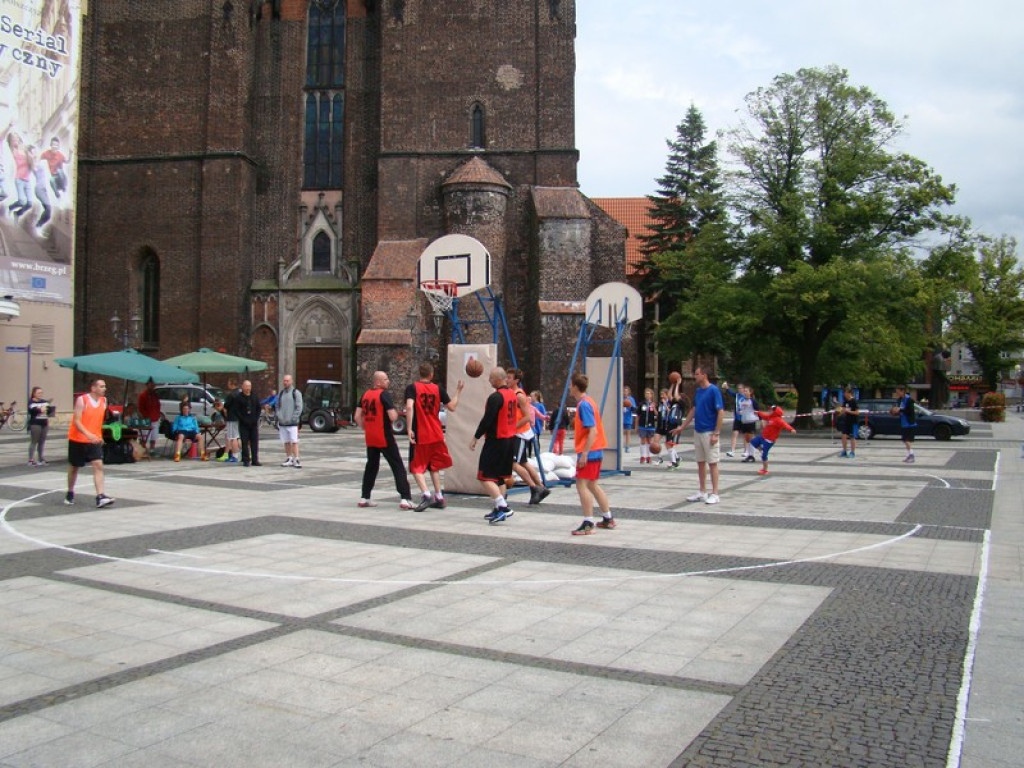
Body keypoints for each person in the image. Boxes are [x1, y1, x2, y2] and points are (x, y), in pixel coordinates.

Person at [406, 361, 464, 511]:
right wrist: (458, 391)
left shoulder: (412, 388)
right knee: (434, 466)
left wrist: (409, 428)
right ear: (431, 374)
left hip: (421, 433)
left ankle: (426, 495)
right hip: (436, 432)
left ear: (420, 373)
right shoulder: (438, 389)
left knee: (416, 467)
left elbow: (409, 406)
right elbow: (452, 407)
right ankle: (439, 496)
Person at [355, 370, 413, 508]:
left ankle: (364, 497)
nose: (388, 381)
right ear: (378, 382)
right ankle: (405, 498)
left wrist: (366, 427)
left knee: (371, 466)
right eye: (386, 379)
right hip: (384, 435)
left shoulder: (365, 395)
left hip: (371, 436)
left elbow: (357, 416)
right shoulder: (383, 395)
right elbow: (393, 416)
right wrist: (397, 413)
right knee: (397, 465)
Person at [471, 367, 519, 523]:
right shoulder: (512, 394)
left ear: (499, 379)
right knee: (499, 478)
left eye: (491, 378)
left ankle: (503, 506)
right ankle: (499, 509)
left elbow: (487, 420)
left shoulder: (496, 397)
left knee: (484, 477)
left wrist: (476, 437)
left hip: (497, 440)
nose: (489, 380)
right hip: (510, 439)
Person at [570, 373, 615, 535]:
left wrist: (584, 454)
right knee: (592, 484)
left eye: (570, 385)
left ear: (575, 387)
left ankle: (588, 522)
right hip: (597, 450)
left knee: (581, 485)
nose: (569, 388)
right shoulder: (589, 401)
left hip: (590, 451)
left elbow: (592, 431)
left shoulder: (583, 405)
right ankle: (607, 517)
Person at [673, 366, 724, 505]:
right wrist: (682, 427)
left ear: (704, 375)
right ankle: (702, 491)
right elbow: (693, 410)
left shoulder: (713, 391)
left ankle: (715, 493)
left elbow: (720, 412)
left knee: (712, 463)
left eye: (697, 374)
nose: (694, 376)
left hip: (709, 432)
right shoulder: (698, 391)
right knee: (700, 463)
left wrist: (716, 433)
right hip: (698, 431)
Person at [66, 378, 115, 508]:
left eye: (105, 386)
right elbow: (77, 421)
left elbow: (97, 421)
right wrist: (87, 434)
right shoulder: (82, 400)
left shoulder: (104, 401)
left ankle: (100, 496)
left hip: (94, 439)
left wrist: (99, 435)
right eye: (101, 386)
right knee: (74, 467)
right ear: (93, 388)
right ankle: (70, 492)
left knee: (98, 464)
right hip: (78, 439)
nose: (105, 388)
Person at [508, 368, 549, 505]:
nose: (507, 380)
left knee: (513, 463)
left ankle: (534, 487)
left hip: (520, 433)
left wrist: (512, 428)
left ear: (516, 380)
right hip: (520, 432)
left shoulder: (519, 395)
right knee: (524, 462)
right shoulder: (512, 393)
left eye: (509, 378)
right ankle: (541, 487)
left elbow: (527, 417)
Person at [750, 405, 797, 474]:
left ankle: (765, 470)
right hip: (763, 436)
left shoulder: (778, 420)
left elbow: (785, 425)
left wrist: (791, 429)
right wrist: (758, 413)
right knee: (753, 441)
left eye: (771, 410)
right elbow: (764, 415)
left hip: (769, 440)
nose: (769, 411)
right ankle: (761, 449)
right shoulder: (770, 417)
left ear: (775, 412)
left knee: (764, 455)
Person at [276, 374, 303, 468]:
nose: (285, 382)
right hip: (283, 423)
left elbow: (299, 407)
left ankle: (297, 458)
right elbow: (277, 406)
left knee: (294, 441)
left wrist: (293, 418)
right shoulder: (281, 393)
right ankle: (289, 458)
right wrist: (279, 417)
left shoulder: (296, 393)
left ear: (291, 381)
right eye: (284, 380)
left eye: (287, 381)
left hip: (292, 423)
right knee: (286, 441)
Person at [728, 384, 760, 462]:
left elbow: (758, 411)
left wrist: (761, 420)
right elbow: (742, 410)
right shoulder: (742, 401)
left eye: (746, 391)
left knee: (751, 439)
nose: (745, 392)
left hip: (751, 422)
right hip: (744, 422)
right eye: (744, 391)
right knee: (747, 439)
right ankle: (751, 453)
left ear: (750, 392)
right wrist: (740, 412)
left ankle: (752, 455)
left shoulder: (753, 401)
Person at [235, 379, 262, 466]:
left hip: (253, 423)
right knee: (245, 442)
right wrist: (243, 419)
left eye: (249, 386)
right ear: (242, 387)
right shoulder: (239, 398)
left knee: (254, 442)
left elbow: (258, 408)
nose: (248, 388)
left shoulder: (254, 396)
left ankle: (255, 459)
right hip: (244, 424)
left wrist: (256, 418)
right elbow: (237, 411)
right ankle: (246, 459)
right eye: (246, 386)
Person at [663, 374, 687, 468]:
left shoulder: (682, 404)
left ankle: (673, 462)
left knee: (669, 444)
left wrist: (678, 384)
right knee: (668, 443)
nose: (678, 395)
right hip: (670, 424)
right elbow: (669, 395)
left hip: (676, 425)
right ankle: (676, 458)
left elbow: (676, 395)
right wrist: (672, 384)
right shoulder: (674, 403)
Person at [137, 378, 163, 458]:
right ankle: (143, 450)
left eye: (153, 385)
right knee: (144, 436)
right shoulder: (142, 395)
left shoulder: (155, 395)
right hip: (146, 419)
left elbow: (158, 405)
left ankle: (152, 450)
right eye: (151, 385)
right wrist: (145, 416)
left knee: (154, 436)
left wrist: (158, 414)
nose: (152, 386)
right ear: (147, 385)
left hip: (155, 418)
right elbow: (140, 407)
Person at [27, 386, 51, 466]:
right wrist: (40, 409)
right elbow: (31, 410)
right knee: (34, 441)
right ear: (34, 394)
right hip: (35, 423)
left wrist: (49, 410)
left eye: (41, 393)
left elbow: (49, 411)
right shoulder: (31, 402)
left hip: (44, 423)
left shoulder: (44, 402)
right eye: (38, 393)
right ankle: (31, 459)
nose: (40, 394)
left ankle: (41, 458)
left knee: (42, 441)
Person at [219, 379, 242, 462]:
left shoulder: (231, 395)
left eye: (228, 383)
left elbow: (226, 406)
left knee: (233, 437)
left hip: (232, 418)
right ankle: (244, 453)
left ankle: (235, 455)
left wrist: (222, 408)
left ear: (232, 384)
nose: (227, 385)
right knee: (238, 437)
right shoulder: (240, 393)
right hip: (239, 418)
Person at [893, 385, 917, 463]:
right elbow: (899, 410)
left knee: (907, 440)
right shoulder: (900, 400)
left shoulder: (909, 400)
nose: (896, 393)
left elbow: (910, 411)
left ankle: (912, 455)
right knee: (905, 440)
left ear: (902, 391)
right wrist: (896, 412)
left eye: (898, 392)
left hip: (909, 423)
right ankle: (908, 456)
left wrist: (900, 410)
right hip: (903, 423)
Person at [636, 387, 659, 464]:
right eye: (646, 393)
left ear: (651, 395)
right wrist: (636, 426)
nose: (647, 395)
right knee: (643, 440)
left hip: (651, 425)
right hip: (642, 425)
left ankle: (649, 456)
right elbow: (638, 415)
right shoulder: (642, 404)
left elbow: (657, 414)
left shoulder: (654, 404)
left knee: (649, 441)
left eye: (649, 394)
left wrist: (654, 407)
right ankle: (642, 456)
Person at [839, 387, 859, 458]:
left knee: (852, 436)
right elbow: (843, 410)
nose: (844, 394)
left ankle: (852, 452)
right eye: (844, 393)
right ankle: (844, 451)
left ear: (849, 393)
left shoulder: (854, 401)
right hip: (846, 421)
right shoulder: (845, 402)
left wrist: (848, 411)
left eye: (845, 392)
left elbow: (857, 412)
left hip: (853, 421)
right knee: (843, 435)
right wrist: (839, 412)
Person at [622, 385, 637, 452]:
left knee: (628, 433)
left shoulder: (631, 399)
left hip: (628, 418)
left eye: (626, 391)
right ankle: (620, 445)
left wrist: (630, 405)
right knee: (621, 432)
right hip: (621, 418)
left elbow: (634, 409)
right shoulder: (620, 398)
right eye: (624, 391)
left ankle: (627, 446)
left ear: (628, 392)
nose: (625, 392)